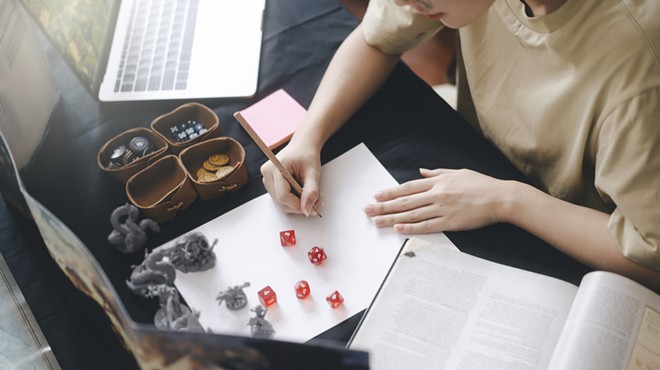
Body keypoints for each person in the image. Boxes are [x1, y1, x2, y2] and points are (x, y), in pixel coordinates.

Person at [261, 0, 660, 290]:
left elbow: (648, 257)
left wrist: (507, 201)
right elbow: (376, 39)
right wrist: (308, 136)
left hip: (579, 225)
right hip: (479, 154)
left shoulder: (639, 73)